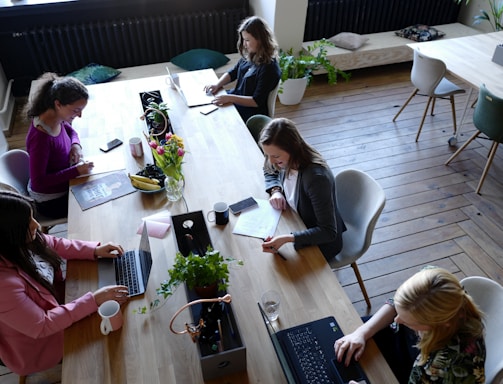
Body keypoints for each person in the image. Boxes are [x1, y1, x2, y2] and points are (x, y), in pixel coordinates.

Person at [0, 191, 129, 376]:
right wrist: (94, 300)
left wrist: (94, 250)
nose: (37, 224)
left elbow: (54, 243)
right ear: (8, 234)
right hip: (39, 344)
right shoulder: (4, 286)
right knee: (115, 351)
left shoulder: (23, 239)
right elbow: (42, 325)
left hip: (62, 303)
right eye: (28, 222)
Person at [334, 266, 486, 384]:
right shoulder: (431, 280)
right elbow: (398, 303)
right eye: (399, 312)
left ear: (436, 324)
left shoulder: (455, 366)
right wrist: (362, 332)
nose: (397, 320)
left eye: (407, 321)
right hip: (401, 345)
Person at [259, 117, 346, 261]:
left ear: (292, 148)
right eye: (267, 155)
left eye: (275, 156)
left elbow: (328, 232)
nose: (271, 161)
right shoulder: (284, 159)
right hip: (296, 221)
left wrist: (288, 238)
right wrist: (276, 191)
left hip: (321, 242)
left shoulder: (316, 179)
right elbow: (269, 169)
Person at [25, 72, 94, 219]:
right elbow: (39, 182)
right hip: (51, 201)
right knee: (96, 207)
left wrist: (76, 145)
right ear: (58, 104)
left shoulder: (56, 117)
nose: (79, 115)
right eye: (76, 110)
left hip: (65, 181)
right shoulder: (40, 138)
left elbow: (70, 130)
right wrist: (75, 171)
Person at [204, 16, 281, 122]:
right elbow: (233, 72)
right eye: (244, 40)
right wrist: (217, 84)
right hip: (238, 98)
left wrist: (230, 98)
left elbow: (256, 101)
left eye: (247, 40)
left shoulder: (269, 69)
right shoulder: (251, 55)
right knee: (210, 102)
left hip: (251, 112)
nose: (244, 44)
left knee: (216, 115)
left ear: (260, 39)